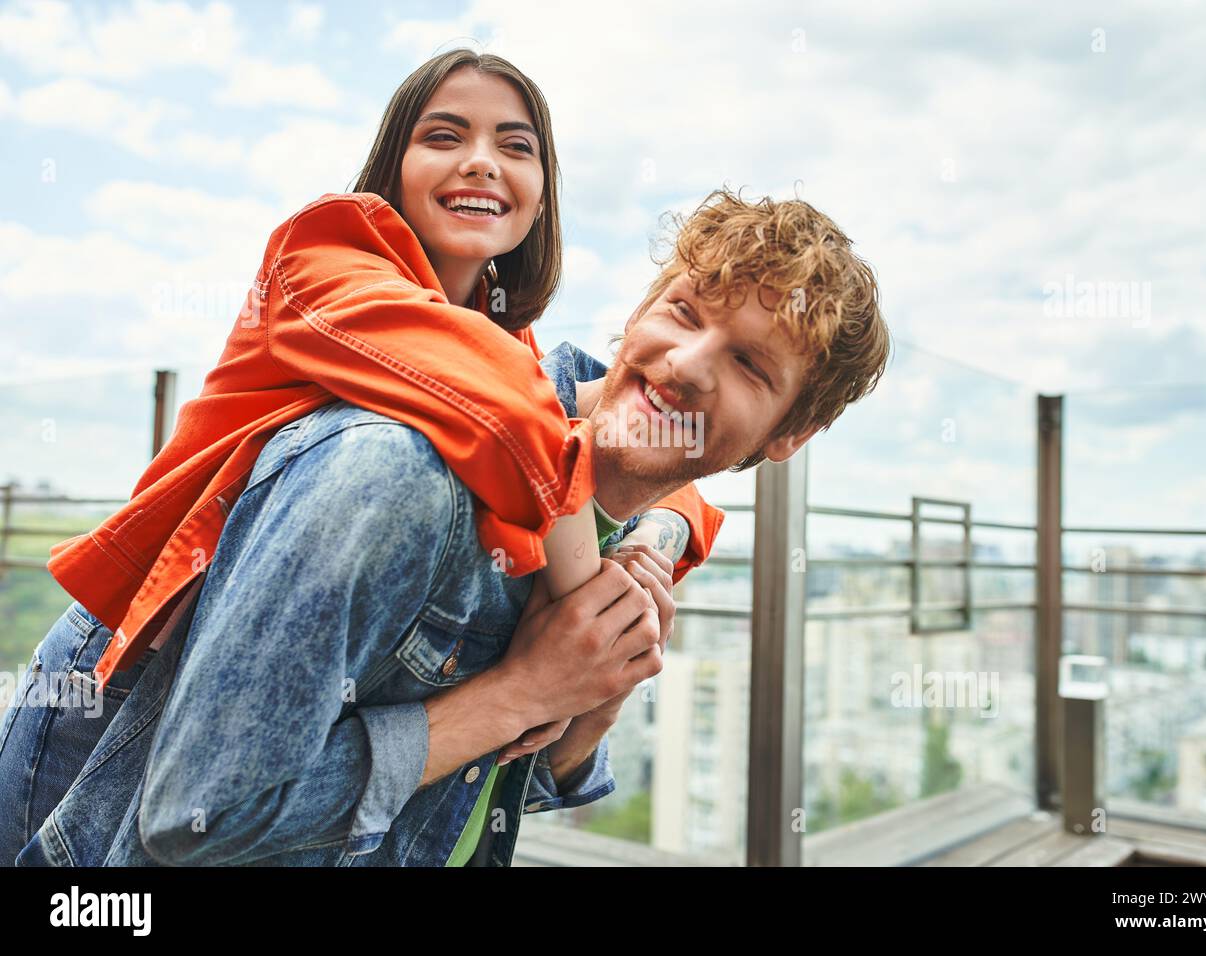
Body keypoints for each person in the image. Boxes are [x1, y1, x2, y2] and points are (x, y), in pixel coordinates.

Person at [8, 186, 890, 867]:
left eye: (747, 364)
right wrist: (520, 694)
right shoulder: (402, 473)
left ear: (789, 437)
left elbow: (509, 783)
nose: (688, 365)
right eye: (685, 313)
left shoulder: (631, 529)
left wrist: (596, 693)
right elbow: (199, 814)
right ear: (638, 311)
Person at [0, 48, 723, 862]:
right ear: (395, 166)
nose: (481, 160)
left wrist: (651, 546)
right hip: (123, 682)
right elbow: (528, 414)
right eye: (445, 135)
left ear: (541, 194)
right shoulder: (326, 257)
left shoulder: (498, 337)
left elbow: (650, 461)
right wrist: (578, 624)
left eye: (516, 146)